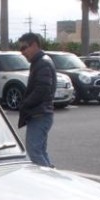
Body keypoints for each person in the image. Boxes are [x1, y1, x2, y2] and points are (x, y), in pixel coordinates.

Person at [17, 32, 57, 168]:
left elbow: (42, 90)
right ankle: (51, 178)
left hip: (40, 114)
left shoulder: (42, 63)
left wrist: (25, 104)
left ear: (34, 45)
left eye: (24, 48)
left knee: (34, 152)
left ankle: (47, 181)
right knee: (40, 151)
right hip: (42, 113)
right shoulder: (40, 62)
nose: (22, 52)